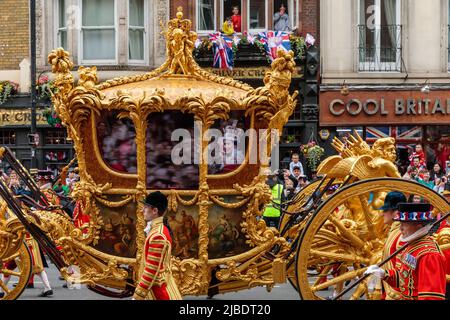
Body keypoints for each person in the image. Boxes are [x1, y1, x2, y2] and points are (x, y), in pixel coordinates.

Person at [364, 202, 447, 300]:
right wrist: (384, 274)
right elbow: (405, 278)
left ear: (418, 225)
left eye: (404, 224)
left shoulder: (429, 254)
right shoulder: (412, 245)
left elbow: (431, 296)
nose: (400, 228)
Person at [133, 192, 181, 300]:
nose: (142, 210)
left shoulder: (157, 235)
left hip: (157, 293)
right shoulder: (159, 230)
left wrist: (137, 296)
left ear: (155, 211)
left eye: (145, 207)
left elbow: (151, 270)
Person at [377, 191, 406, 300]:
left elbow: (403, 272)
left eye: (385, 210)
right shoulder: (394, 232)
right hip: (389, 290)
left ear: (396, 213)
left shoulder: (401, 235)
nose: (382, 213)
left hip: (396, 294)